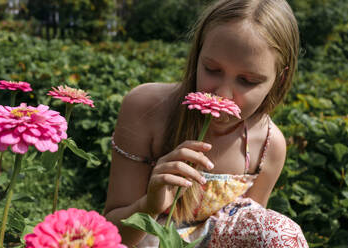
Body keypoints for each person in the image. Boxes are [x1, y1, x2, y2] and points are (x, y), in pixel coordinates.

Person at [103, 0, 308, 247]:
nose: (223, 94)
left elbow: (250, 234)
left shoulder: (268, 145)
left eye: (247, 80)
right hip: (146, 240)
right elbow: (111, 235)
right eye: (212, 69)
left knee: (280, 233)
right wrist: (149, 205)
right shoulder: (147, 108)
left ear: (280, 77)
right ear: (197, 54)